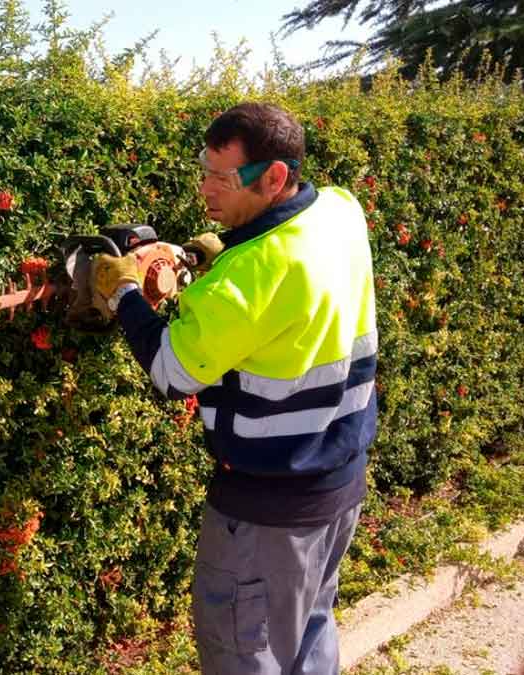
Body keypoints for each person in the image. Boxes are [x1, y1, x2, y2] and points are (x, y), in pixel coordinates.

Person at [92, 102, 378, 674]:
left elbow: (173, 372)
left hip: (267, 513)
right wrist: (219, 250)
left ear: (274, 177)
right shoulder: (340, 210)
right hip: (338, 489)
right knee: (308, 632)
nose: (206, 190)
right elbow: (284, 276)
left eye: (222, 179)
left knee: (244, 652)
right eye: (204, 170)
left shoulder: (249, 279)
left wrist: (125, 292)